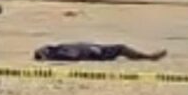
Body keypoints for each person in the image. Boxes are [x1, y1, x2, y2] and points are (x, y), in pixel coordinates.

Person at [34, 43, 167, 62]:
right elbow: (75, 55)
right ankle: (148, 57)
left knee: (121, 48)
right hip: (97, 52)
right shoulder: (59, 52)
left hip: (96, 49)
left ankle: (147, 56)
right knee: (121, 48)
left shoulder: (59, 49)